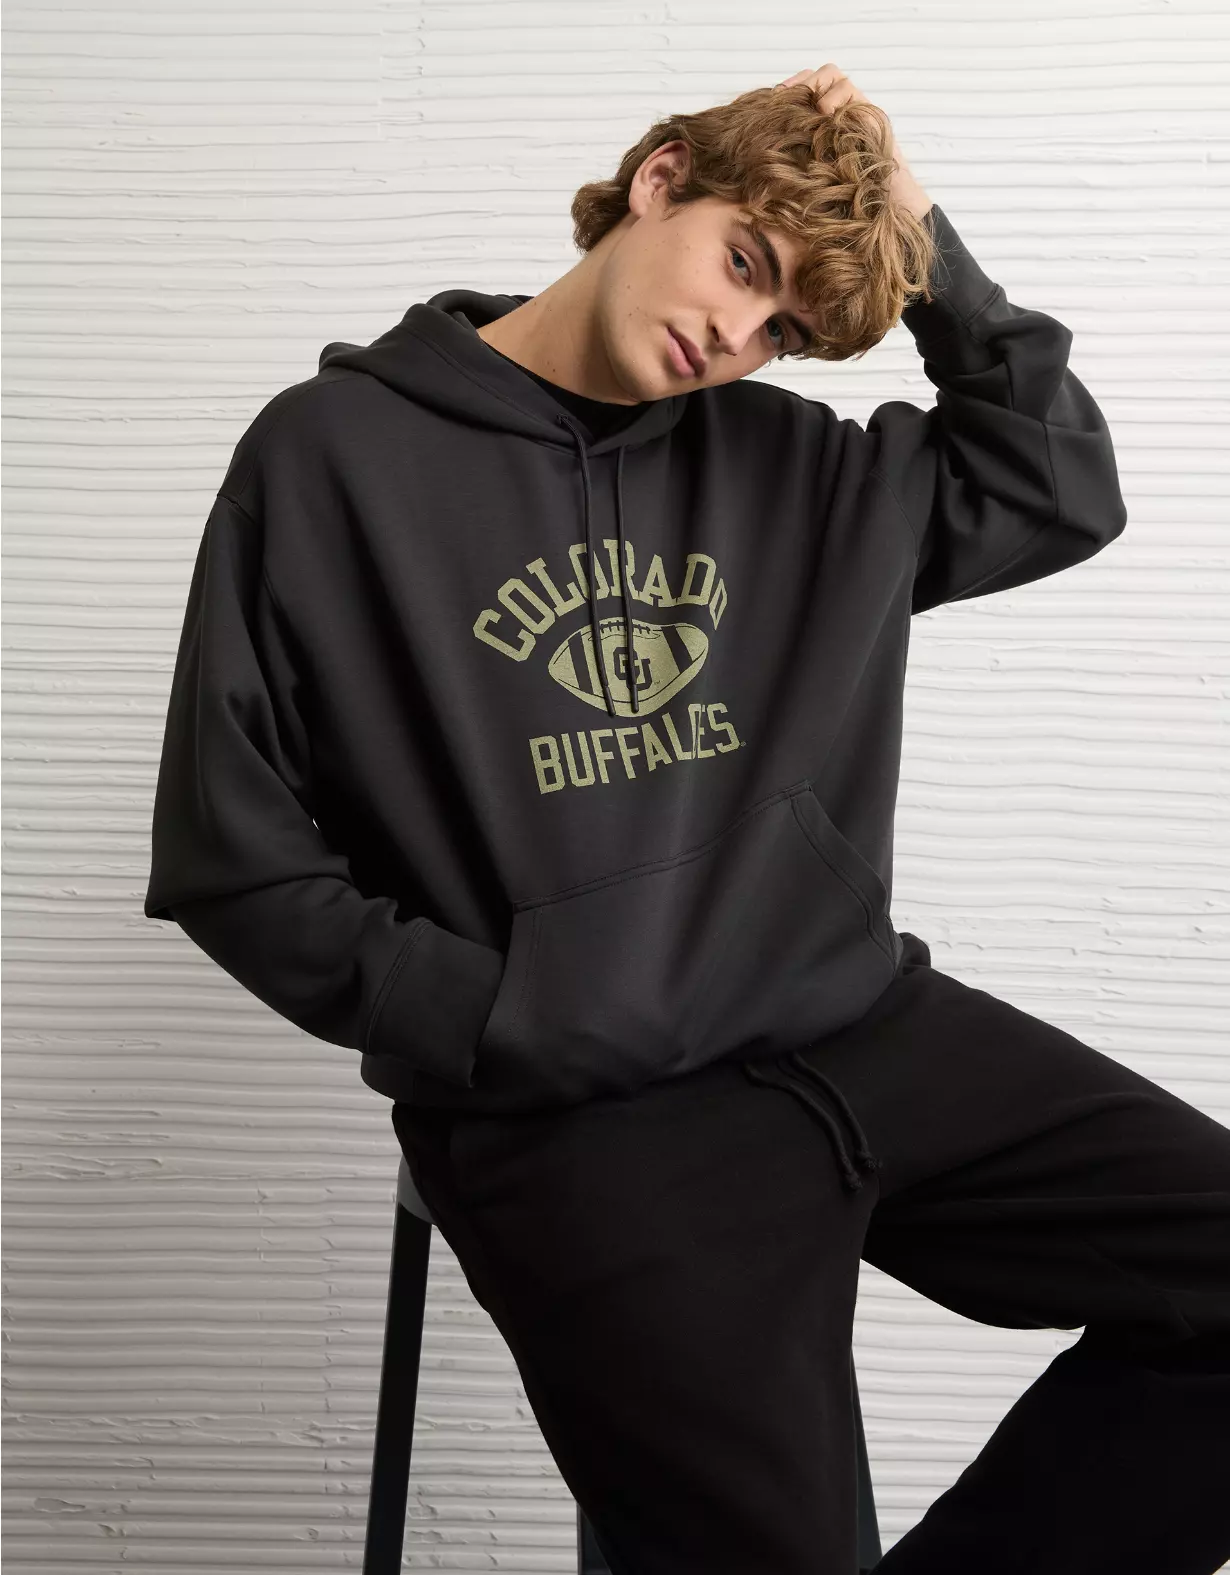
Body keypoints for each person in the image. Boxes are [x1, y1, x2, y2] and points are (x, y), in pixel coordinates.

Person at [142, 63, 1230, 1575]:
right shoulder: (331, 457)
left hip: (849, 1021)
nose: (737, 334)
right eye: (743, 262)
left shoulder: (806, 470)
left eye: (782, 330)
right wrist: (506, 1016)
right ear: (658, 180)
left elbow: (1058, 481)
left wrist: (913, 230)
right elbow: (232, 856)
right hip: (580, 1110)